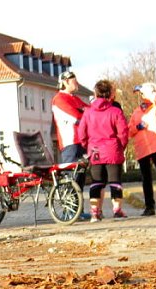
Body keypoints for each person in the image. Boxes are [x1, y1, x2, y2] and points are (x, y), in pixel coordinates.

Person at [77, 79, 129, 222]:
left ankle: (95, 212)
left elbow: (81, 133)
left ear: (96, 93)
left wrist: (87, 144)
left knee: (96, 182)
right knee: (115, 182)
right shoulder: (116, 111)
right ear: (110, 94)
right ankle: (117, 210)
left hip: (95, 151)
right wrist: (122, 146)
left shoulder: (88, 112)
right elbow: (123, 132)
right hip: (113, 150)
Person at [129, 82, 156, 216]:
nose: (141, 96)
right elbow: (129, 130)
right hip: (142, 148)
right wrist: (137, 127)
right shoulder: (136, 112)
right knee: (146, 178)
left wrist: (146, 89)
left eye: (142, 93)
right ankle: (149, 206)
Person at [52, 70, 90, 218]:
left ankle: (78, 210)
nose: (77, 83)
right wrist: (86, 116)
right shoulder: (59, 99)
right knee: (71, 178)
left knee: (80, 177)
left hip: (81, 141)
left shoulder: (75, 98)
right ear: (65, 82)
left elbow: (89, 111)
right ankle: (69, 211)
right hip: (70, 142)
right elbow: (75, 116)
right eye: (74, 81)